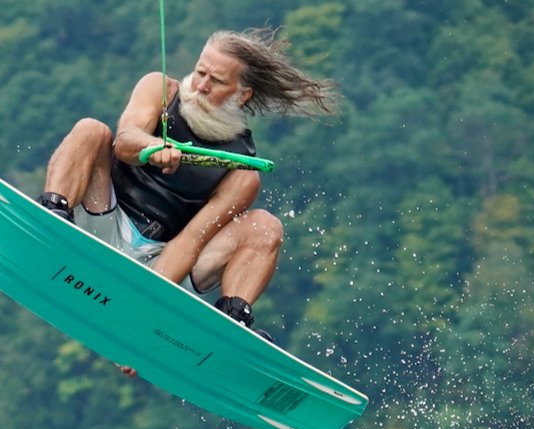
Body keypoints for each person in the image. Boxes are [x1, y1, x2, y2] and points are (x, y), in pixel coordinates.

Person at [37, 28, 337, 372]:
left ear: (242, 95)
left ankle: (230, 325)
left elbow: (189, 242)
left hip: (163, 261)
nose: (201, 85)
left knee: (265, 227)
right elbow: (125, 141)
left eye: (217, 81)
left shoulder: (241, 168)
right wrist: (153, 148)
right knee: (92, 130)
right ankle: (50, 223)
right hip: (102, 216)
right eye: (200, 72)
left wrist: (137, 327)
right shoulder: (160, 89)